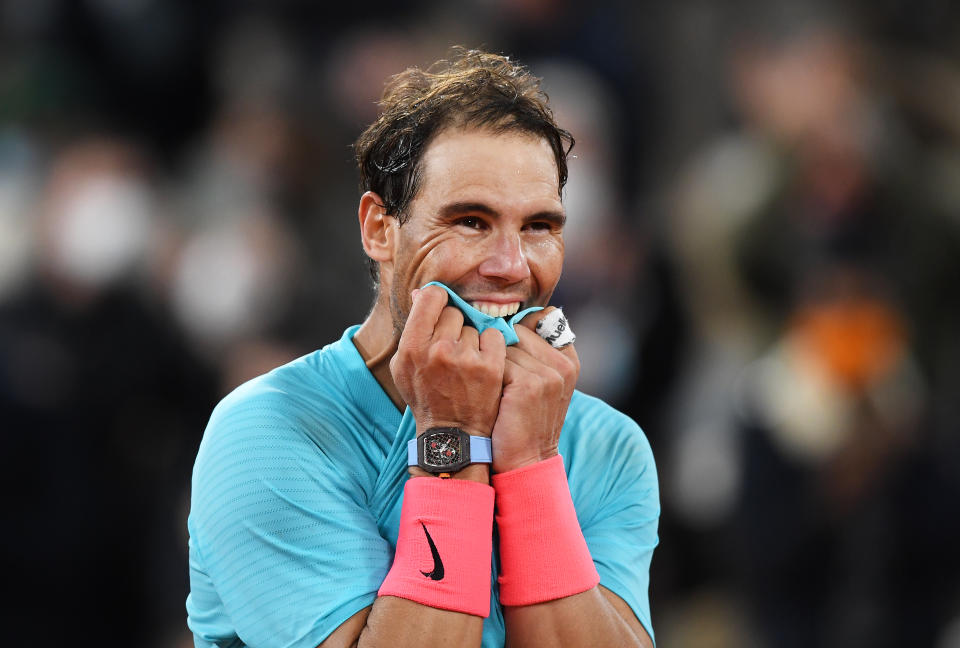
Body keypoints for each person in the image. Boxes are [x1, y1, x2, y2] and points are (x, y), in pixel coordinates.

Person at [186, 48, 659, 648]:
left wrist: (532, 461)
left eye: (539, 226)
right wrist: (453, 437)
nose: (511, 266)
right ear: (380, 229)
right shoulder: (265, 435)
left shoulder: (610, 446)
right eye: (470, 221)